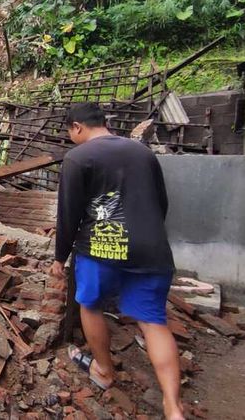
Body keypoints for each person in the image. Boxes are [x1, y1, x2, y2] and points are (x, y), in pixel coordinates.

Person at [50, 103, 184, 420]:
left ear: (77, 127)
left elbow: (68, 214)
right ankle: (173, 406)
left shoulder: (78, 158)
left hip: (101, 248)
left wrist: (60, 256)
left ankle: (104, 370)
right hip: (152, 249)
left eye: (70, 132)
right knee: (153, 321)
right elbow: (160, 203)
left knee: (91, 305)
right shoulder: (143, 154)